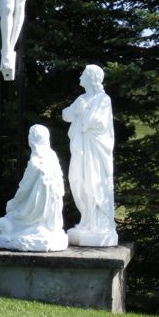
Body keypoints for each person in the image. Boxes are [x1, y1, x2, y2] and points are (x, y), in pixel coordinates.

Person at [62, 64, 118, 246]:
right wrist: (78, 112)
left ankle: (97, 223)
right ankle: (86, 219)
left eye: (83, 74)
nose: (80, 76)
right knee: (77, 179)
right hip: (80, 147)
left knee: (94, 182)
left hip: (96, 150)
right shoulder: (81, 98)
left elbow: (95, 122)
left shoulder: (103, 99)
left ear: (91, 78)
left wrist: (80, 113)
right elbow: (66, 114)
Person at [0, 124, 68, 252]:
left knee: (7, 220)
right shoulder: (52, 156)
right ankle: (41, 228)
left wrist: (13, 203)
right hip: (51, 210)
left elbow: (24, 188)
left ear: (32, 139)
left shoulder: (36, 161)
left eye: (29, 135)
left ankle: (34, 228)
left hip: (35, 210)